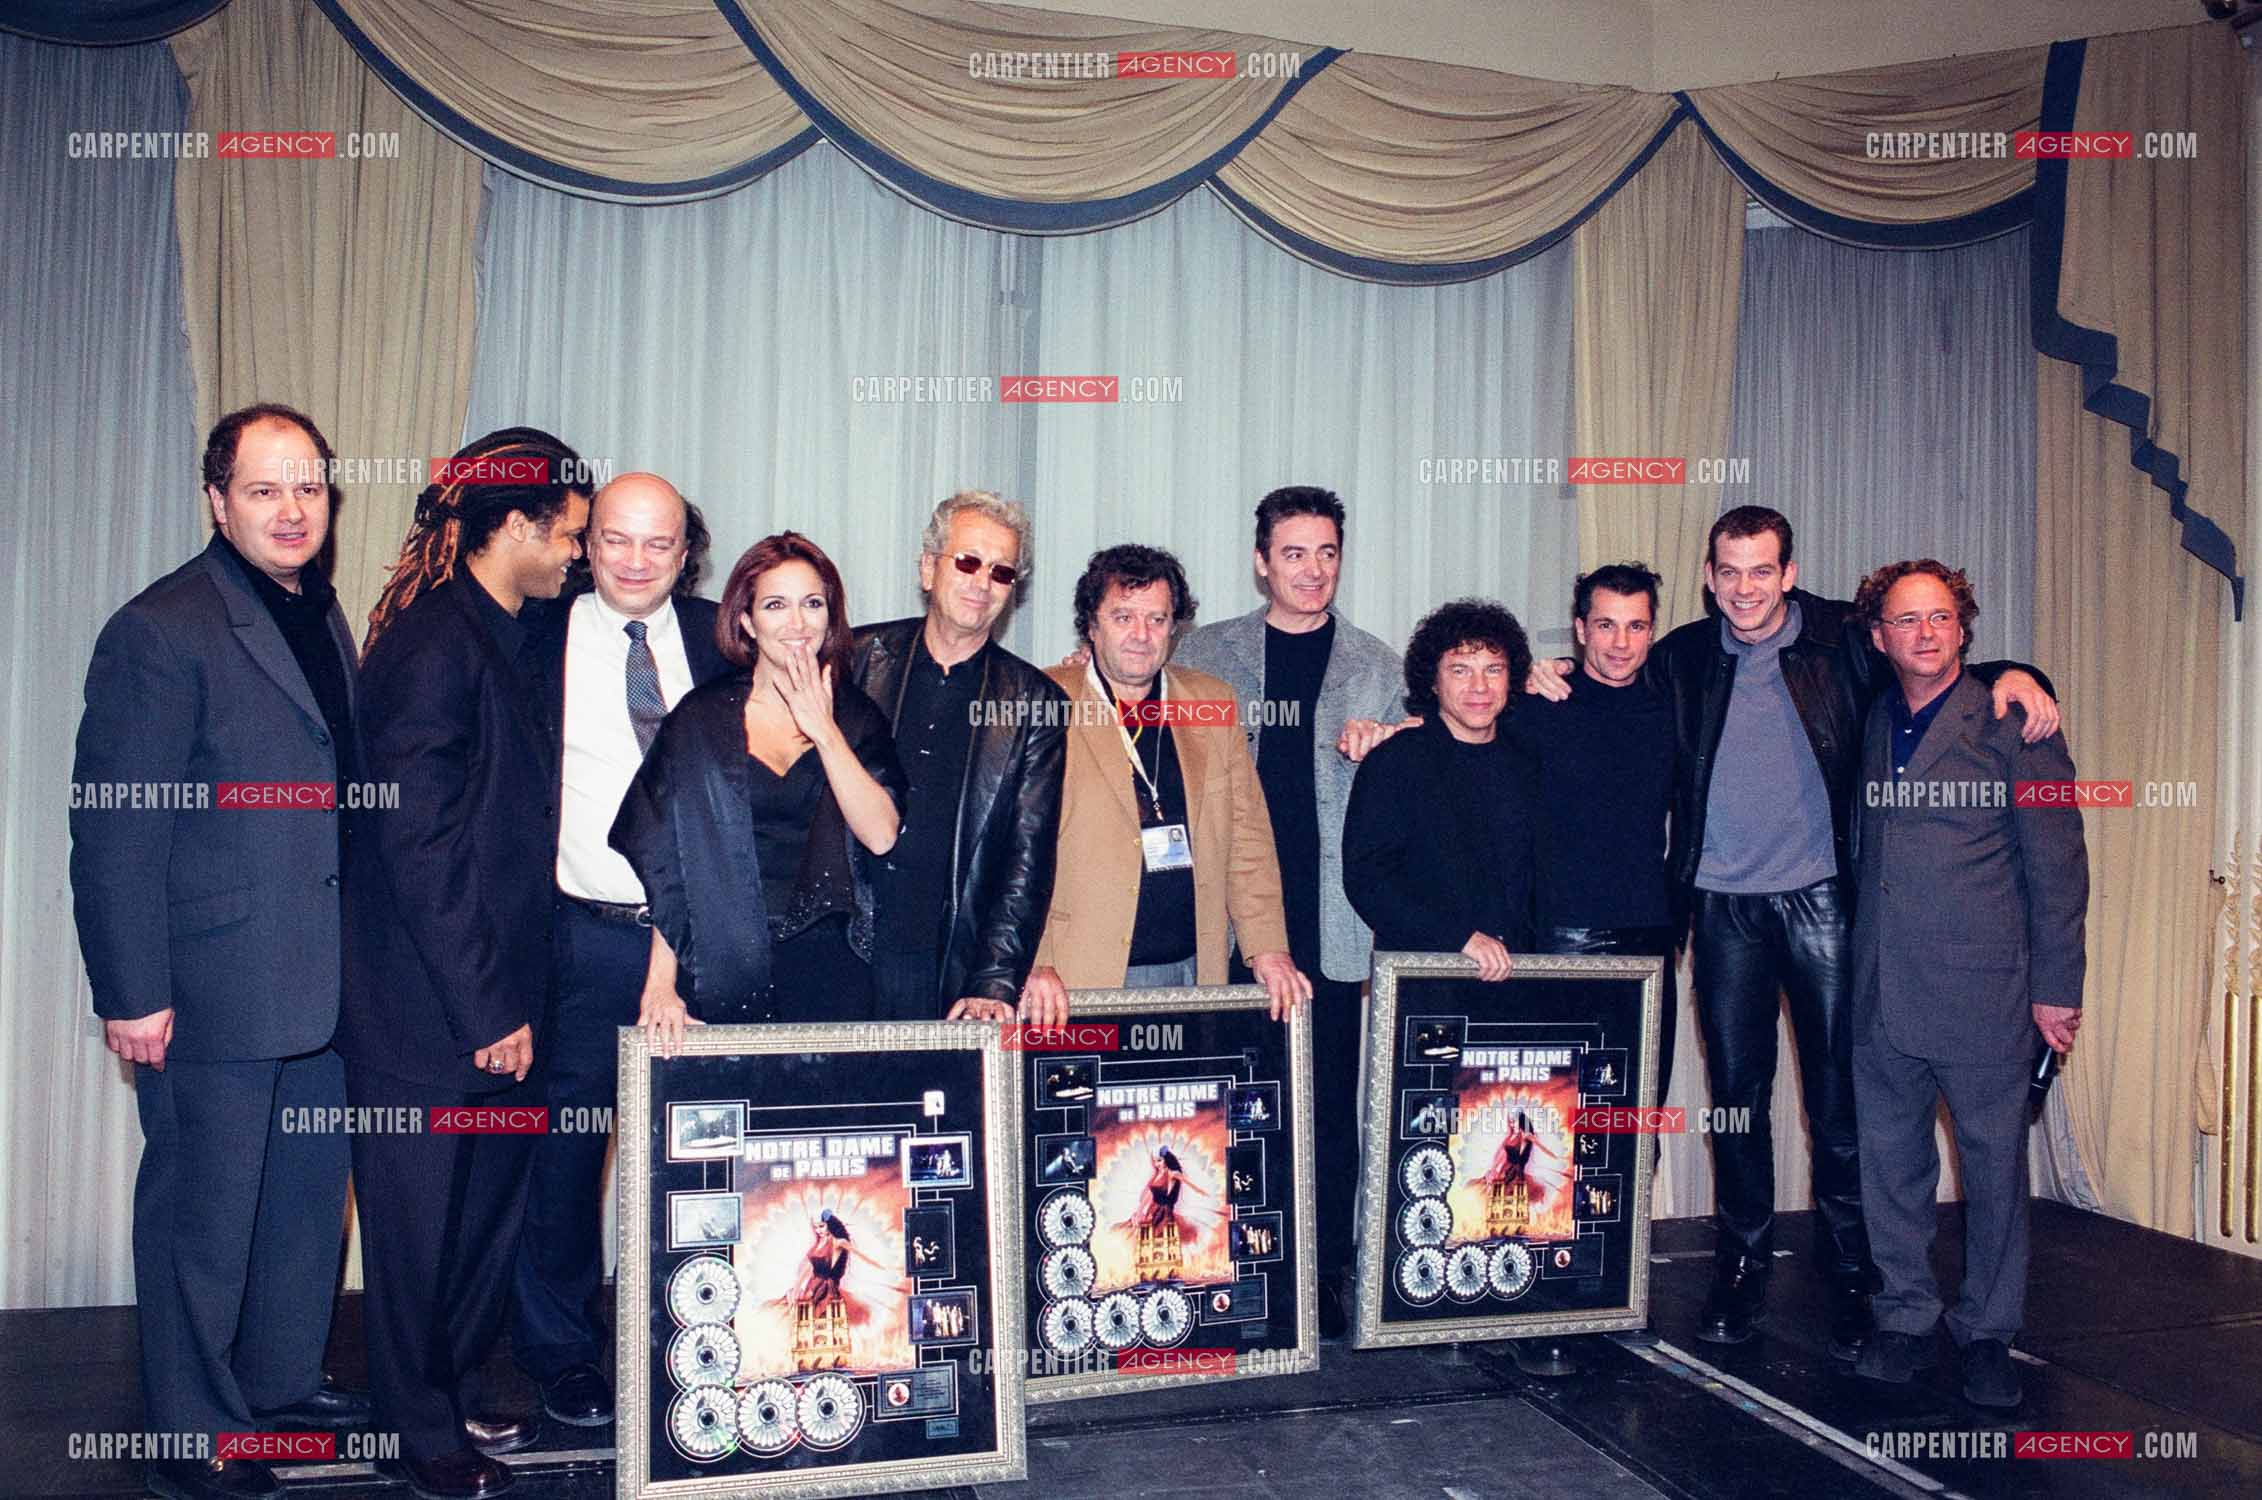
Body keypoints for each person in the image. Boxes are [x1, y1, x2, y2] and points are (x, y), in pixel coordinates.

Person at [1529, 506, 2060, 1358]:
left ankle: (1860, 1278)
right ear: (1709, 576)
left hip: (1824, 900)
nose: (1745, 588)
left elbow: (1929, 652)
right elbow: (1603, 680)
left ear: (1788, 571)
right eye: (1729, 572)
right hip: (1719, 907)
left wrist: (2023, 673)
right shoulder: (1682, 656)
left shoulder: (1844, 640)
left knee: (1841, 1101)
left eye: (1762, 570)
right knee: (1736, 1099)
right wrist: (1538, 674)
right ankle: (1740, 1268)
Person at [70, 404, 368, 1500]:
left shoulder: (318, 613)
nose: (292, 511)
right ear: (216, 500)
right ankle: (194, 1429)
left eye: (309, 489)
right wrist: (130, 991)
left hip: (324, 984)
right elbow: (112, 828)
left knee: (298, 1208)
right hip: (207, 990)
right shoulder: (161, 628)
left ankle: (278, 1390)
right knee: (202, 1217)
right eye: (264, 489)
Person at [342, 427, 593, 1500]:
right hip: (429, 1013)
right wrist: (489, 1005)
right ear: (515, 528)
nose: (579, 557)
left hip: (494, 1002)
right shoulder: (436, 643)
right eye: (570, 537)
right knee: (416, 1238)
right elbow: (419, 842)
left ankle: (440, 1395)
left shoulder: (504, 630)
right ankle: (414, 1427)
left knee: (476, 1228)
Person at [508, 473, 728, 1430]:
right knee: (562, 1158)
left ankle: (686, 1343)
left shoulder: (731, 639)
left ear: (688, 553)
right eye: (615, 541)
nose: (635, 562)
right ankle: (560, 1350)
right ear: (585, 543)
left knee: (703, 1160)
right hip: (580, 938)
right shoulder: (529, 635)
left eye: (658, 544)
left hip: (705, 945)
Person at [1845, 561, 2088, 1410]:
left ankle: (1988, 1331)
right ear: (1880, 637)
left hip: (1986, 993)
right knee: (1891, 1166)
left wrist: (2058, 987)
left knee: (1992, 1170)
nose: (1924, 633)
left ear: (1963, 628)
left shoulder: (2016, 721)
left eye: (1940, 617)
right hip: (1880, 992)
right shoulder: (1875, 717)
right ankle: (1905, 1315)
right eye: (1906, 620)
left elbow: (2059, 865)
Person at [1169, 486, 1403, 1334]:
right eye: (1295, 553)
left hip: (1335, 919)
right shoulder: (1203, 651)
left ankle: (1330, 1273)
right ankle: (1228, 1267)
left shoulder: (1377, 665)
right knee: (1228, 1099)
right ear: (1262, 560)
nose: (1313, 570)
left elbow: (1422, 769)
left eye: (1328, 552)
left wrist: (1392, 745)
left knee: (1332, 1104)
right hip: (1227, 919)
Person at [611, 533, 905, 1044]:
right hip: (720, 962)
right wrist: (660, 984)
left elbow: (881, 835)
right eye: (776, 605)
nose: (797, 623)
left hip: (831, 969)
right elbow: (669, 863)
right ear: (747, 621)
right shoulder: (699, 719)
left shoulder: (858, 719)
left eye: (812, 604)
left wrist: (824, 729)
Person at [1022, 546, 1310, 1019]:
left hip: (1194, 972)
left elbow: (1248, 841)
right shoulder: (1043, 701)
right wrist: (1035, 961)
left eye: (1157, 619)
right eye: (1123, 617)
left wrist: (1267, 948)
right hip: (1071, 976)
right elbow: (1010, 852)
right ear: (1091, 626)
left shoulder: (1213, 704)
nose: (1141, 635)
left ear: (1175, 628)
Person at [848, 492, 1069, 1024]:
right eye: (968, 561)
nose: (981, 582)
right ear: (928, 568)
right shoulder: (854, 661)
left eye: (1001, 572)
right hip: (841, 953)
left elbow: (1027, 855)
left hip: (948, 966)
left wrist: (995, 978)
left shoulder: (1035, 702)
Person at [1513, 564, 1679, 1133]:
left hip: (1649, 934)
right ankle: (1561, 1229)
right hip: (1562, 933)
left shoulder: (1671, 711)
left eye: (1636, 627)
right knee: (1557, 1107)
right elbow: (1454, 732)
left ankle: (1632, 1227)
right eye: (1606, 625)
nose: (1620, 643)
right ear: (1580, 628)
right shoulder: (1536, 703)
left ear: (1652, 631)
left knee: (1638, 1108)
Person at [1342, 599, 1538, 971]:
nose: (1479, 686)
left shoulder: (1528, 760)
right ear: (1433, 680)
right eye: (1460, 670)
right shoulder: (1395, 762)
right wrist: (1460, 937)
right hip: (1426, 973)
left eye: (1493, 669)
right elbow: (1368, 878)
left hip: (1520, 972)